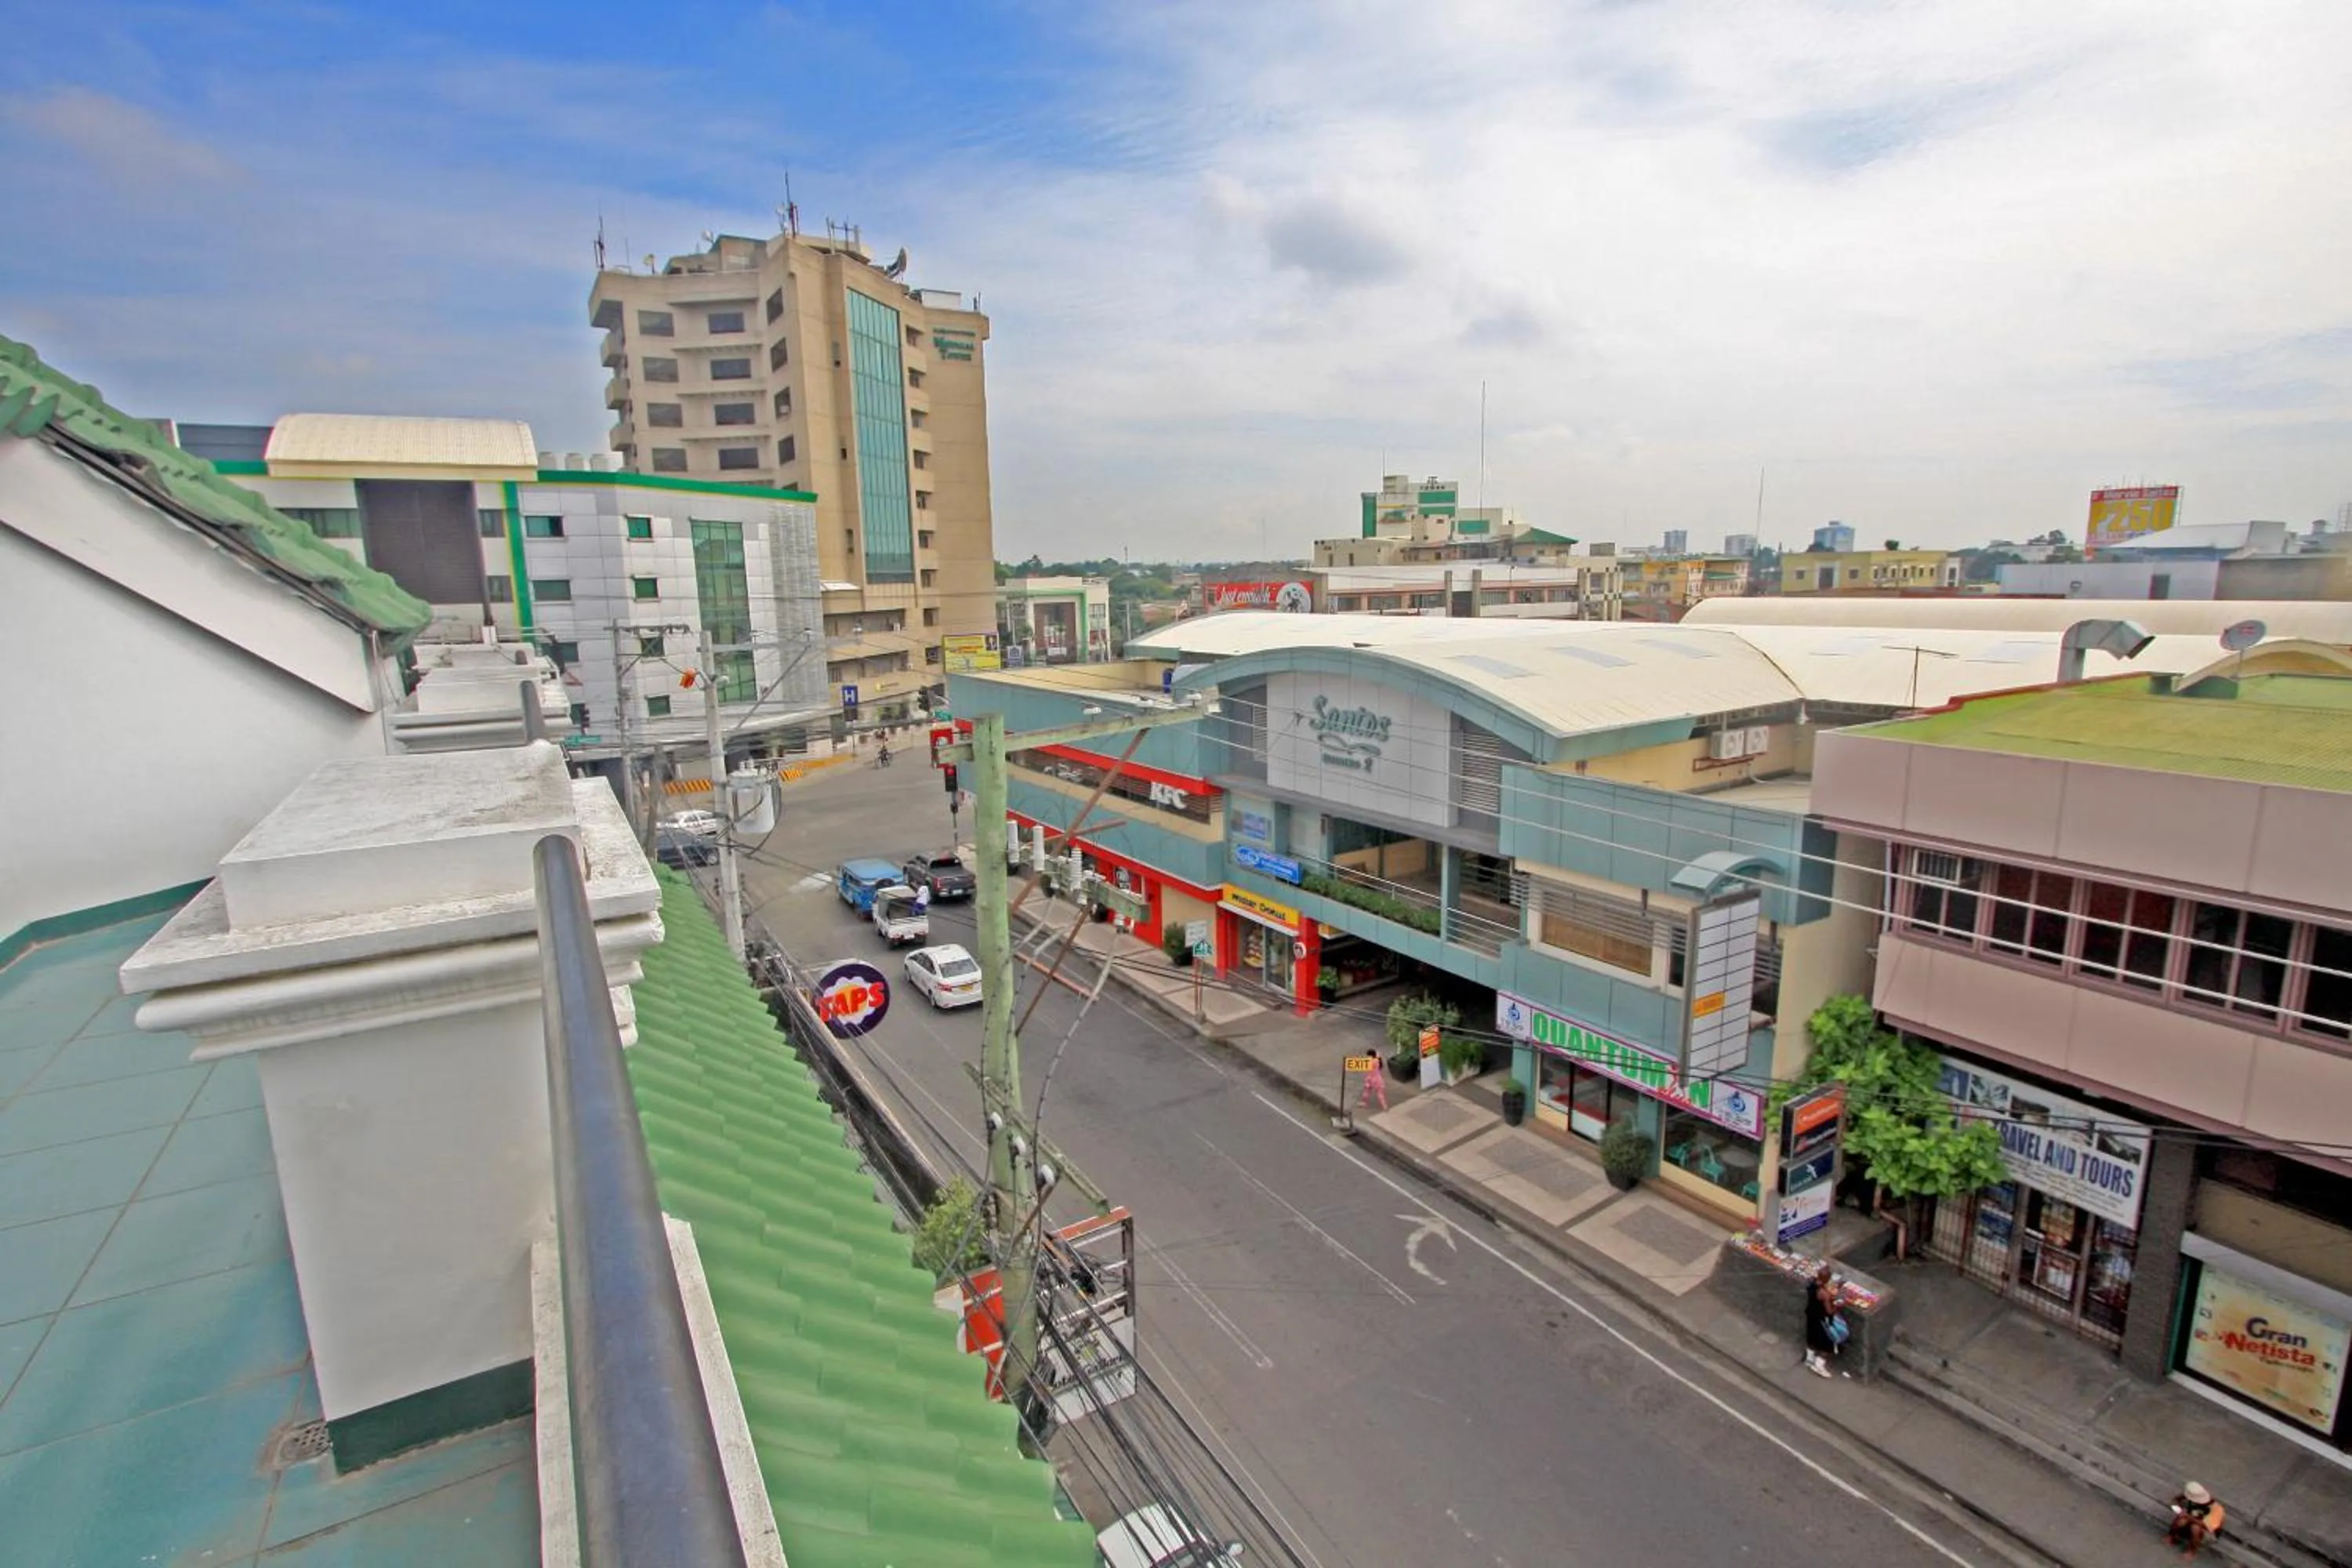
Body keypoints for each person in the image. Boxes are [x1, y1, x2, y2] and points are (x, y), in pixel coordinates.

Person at [1802, 1263, 1842, 1377]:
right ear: (1827, 1279)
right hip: (1822, 1320)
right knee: (1828, 1344)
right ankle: (1818, 1365)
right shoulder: (1824, 1294)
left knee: (1812, 1338)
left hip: (1811, 1315)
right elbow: (1829, 1311)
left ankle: (1809, 1359)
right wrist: (1838, 1305)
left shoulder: (1812, 1284)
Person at [2166, 1482, 2224, 1556]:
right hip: (2190, 1524)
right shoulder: (2192, 1498)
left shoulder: (2216, 1509)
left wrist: (2188, 1516)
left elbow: (2206, 1526)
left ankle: (2192, 1551)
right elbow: (2176, 1500)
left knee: (2195, 1528)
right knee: (2182, 1520)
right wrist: (2177, 1508)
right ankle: (2170, 1537)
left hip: (2207, 1532)